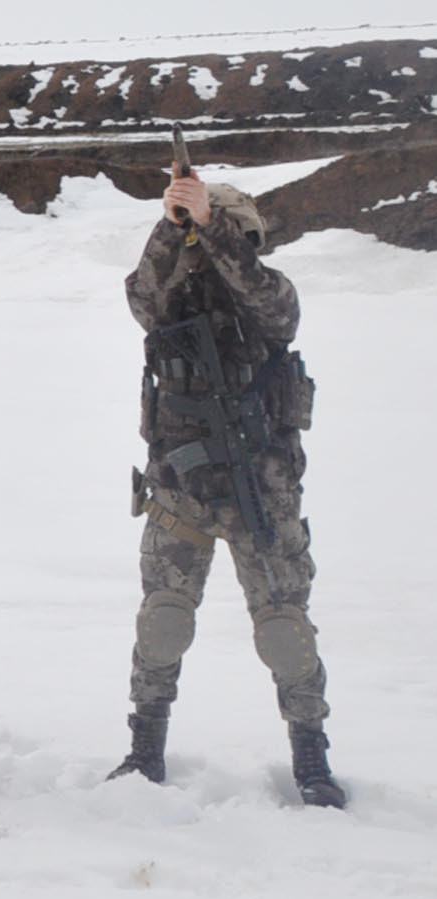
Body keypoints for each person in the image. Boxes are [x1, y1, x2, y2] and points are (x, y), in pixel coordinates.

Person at [108, 170, 346, 809]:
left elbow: (270, 305)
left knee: (283, 629)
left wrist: (214, 229)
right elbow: (140, 294)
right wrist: (173, 224)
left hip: (259, 496)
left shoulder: (269, 295)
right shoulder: (171, 304)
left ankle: (311, 757)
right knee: (162, 623)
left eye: (222, 237)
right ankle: (145, 749)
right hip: (180, 491)